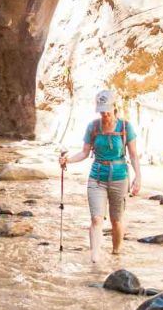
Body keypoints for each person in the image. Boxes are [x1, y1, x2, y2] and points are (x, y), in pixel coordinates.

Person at [59, 89, 141, 262]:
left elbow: (133, 155)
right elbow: (84, 152)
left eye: (107, 111)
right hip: (97, 177)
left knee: (116, 221)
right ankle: (95, 258)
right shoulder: (93, 127)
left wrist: (138, 177)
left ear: (114, 108)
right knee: (96, 219)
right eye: (101, 111)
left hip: (120, 177)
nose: (104, 114)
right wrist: (68, 160)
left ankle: (116, 253)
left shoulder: (126, 127)